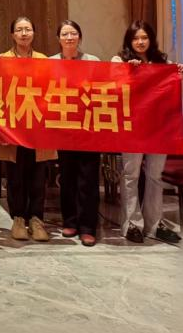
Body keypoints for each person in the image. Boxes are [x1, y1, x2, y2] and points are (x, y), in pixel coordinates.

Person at [112, 21, 181, 244]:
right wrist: (127, 71)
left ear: (151, 39)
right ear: (129, 41)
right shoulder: (119, 60)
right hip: (132, 127)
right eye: (136, 38)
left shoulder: (163, 63)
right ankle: (131, 224)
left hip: (158, 128)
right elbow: (112, 85)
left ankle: (154, 224)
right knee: (130, 175)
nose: (140, 42)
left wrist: (178, 73)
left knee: (154, 176)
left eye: (144, 38)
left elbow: (172, 87)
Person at [0, 17, 56, 242]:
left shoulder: (43, 60)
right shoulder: (2, 59)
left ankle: (37, 219)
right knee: (15, 175)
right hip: (12, 127)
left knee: (38, 175)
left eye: (28, 29)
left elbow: (51, 90)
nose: (24, 33)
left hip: (37, 126)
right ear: (12, 34)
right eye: (19, 30)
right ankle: (18, 218)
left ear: (34, 33)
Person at [49, 20, 101, 247]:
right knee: (67, 177)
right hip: (63, 128)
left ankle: (88, 227)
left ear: (80, 37)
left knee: (88, 179)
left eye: (73, 33)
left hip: (89, 128)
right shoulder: (50, 63)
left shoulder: (93, 61)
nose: (69, 38)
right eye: (65, 34)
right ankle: (69, 221)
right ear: (58, 38)